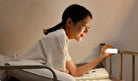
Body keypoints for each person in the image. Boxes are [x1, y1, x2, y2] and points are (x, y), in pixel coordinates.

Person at [18, 4, 114, 77]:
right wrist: (66, 71)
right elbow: (59, 74)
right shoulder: (59, 37)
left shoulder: (63, 39)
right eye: (84, 25)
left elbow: (75, 72)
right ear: (69, 22)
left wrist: (101, 57)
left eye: (89, 27)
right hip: (19, 68)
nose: (87, 31)